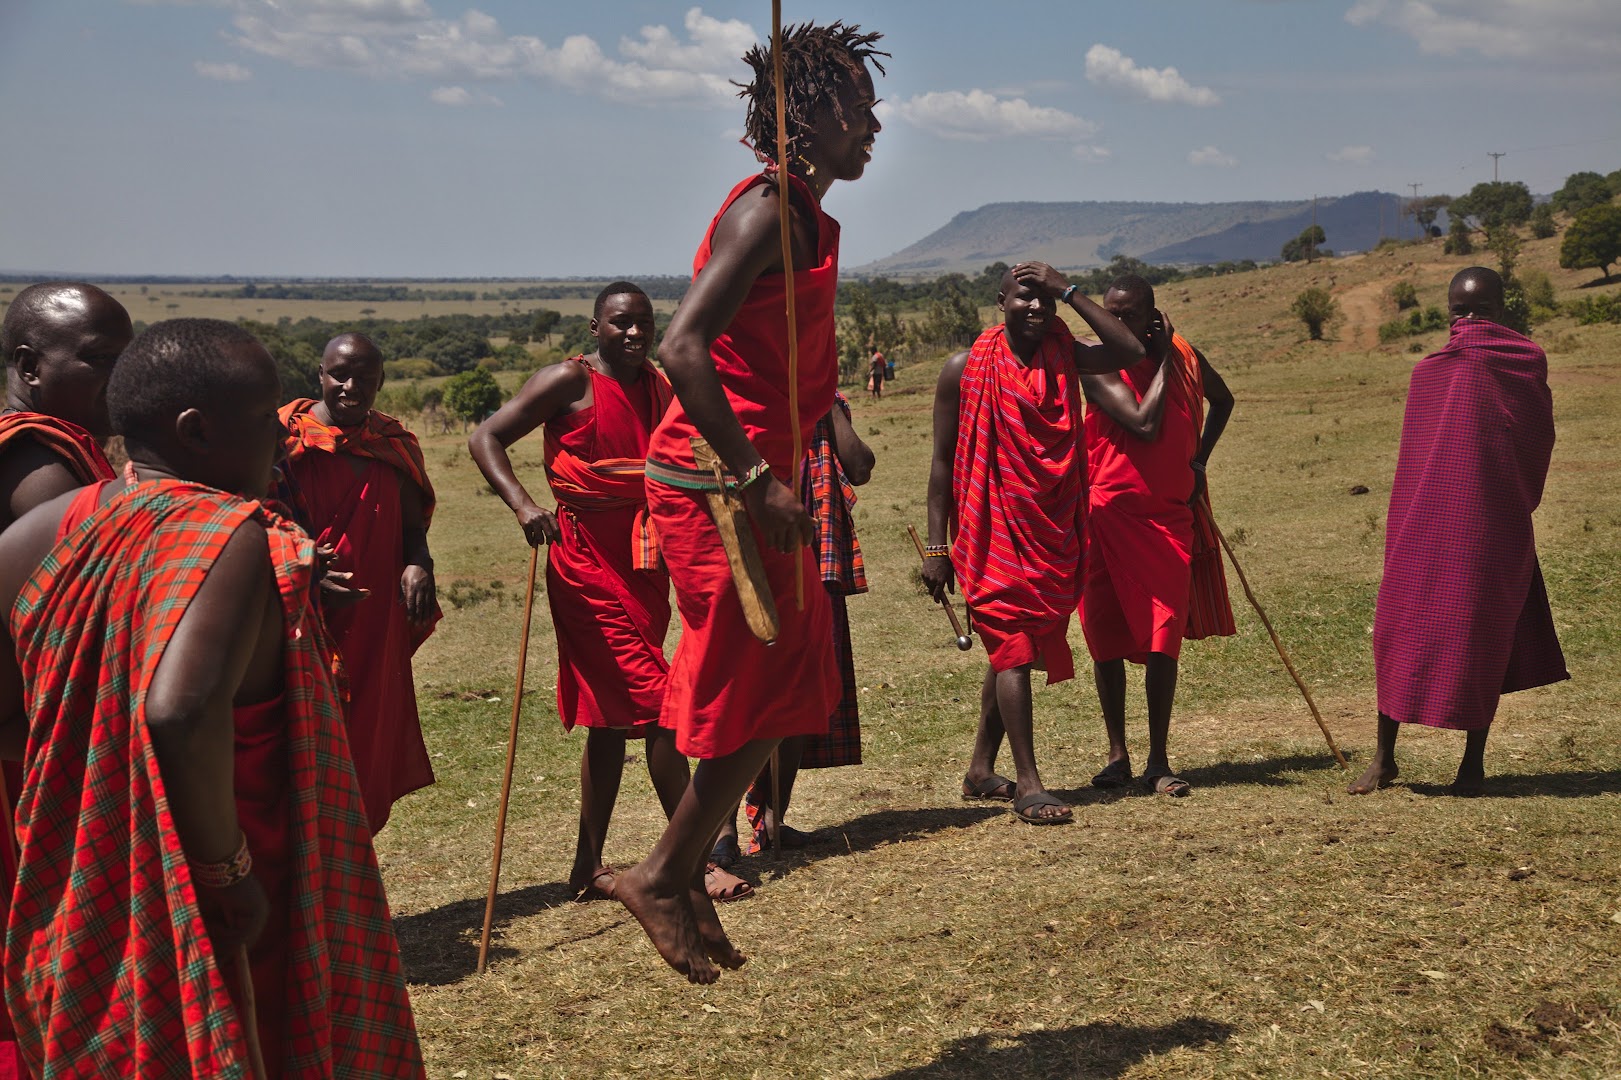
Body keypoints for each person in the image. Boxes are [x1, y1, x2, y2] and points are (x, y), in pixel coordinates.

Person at [0, 318, 424, 1078]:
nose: (284, 440)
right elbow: (180, 711)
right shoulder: (230, 536)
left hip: (87, 885)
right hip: (233, 886)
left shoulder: (33, 536)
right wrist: (225, 876)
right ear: (197, 431)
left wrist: (96, 778)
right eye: (266, 421)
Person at [613, 21, 887, 984]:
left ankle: (680, 874)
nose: (874, 125)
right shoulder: (766, 211)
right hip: (715, 484)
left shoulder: (799, 209)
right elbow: (681, 348)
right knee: (764, 682)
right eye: (856, 105)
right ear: (802, 114)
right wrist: (753, 476)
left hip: (754, 478)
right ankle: (664, 872)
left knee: (797, 681)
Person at [467, 282, 749, 904]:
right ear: (595, 327)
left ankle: (586, 867)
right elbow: (484, 437)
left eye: (644, 323)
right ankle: (693, 864)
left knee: (609, 720)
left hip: (645, 560)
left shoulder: (661, 384)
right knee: (658, 711)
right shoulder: (567, 382)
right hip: (582, 563)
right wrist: (523, 505)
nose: (634, 333)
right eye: (620, 323)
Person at [922, 263, 1145, 825]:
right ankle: (1028, 783)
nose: (1037, 308)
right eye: (1025, 297)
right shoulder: (964, 369)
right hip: (988, 528)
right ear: (999, 301)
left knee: (1012, 649)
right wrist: (934, 547)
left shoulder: (1064, 353)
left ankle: (979, 770)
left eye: (1046, 299)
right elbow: (943, 463)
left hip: (1050, 525)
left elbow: (1128, 350)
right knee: (1014, 647)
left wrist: (1067, 287)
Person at [1350, 267, 1568, 797]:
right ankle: (1384, 757)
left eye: (1482, 310)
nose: (1469, 321)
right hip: (1425, 519)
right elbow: (1418, 458)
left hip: (1491, 521)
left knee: (1482, 630)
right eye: (1459, 311)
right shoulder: (1430, 372)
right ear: (1447, 312)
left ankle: (1473, 764)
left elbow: (1535, 438)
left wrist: (1509, 495)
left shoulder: (1525, 362)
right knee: (1396, 627)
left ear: (1502, 310)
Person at [0, 281, 131, 1078]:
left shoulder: (68, 447)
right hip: (28, 736)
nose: (119, 379)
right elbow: (51, 628)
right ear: (28, 364)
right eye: (99, 361)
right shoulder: (39, 465)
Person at [1080, 274, 1236, 797]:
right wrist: (1165, 358)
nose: (1116, 323)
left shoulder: (1185, 354)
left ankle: (1159, 759)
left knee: (1163, 633)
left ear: (1153, 314)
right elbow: (1144, 424)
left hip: (1167, 515)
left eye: (1127, 314)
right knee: (1103, 632)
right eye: (1110, 313)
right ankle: (1117, 754)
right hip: (1105, 509)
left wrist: (1200, 462)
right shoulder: (1097, 360)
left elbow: (1224, 400)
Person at [277, 333, 437, 834]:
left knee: (364, 745)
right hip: (296, 618)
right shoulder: (281, 443)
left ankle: (351, 876)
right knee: (300, 752)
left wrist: (418, 563)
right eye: (339, 375)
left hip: (372, 622)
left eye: (364, 378)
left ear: (381, 381)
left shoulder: (393, 446)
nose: (350, 386)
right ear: (319, 375)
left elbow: (413, 529)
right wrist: (302, 567)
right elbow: (251, 522)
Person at [712, 391, 875, 864]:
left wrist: (823, 401)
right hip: (751, 565)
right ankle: (719, 829)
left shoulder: (828, 402)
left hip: (816, 563)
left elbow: (859, 466)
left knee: (807, 692)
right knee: (739, 693)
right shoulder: (735, 399)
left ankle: (772, 817)